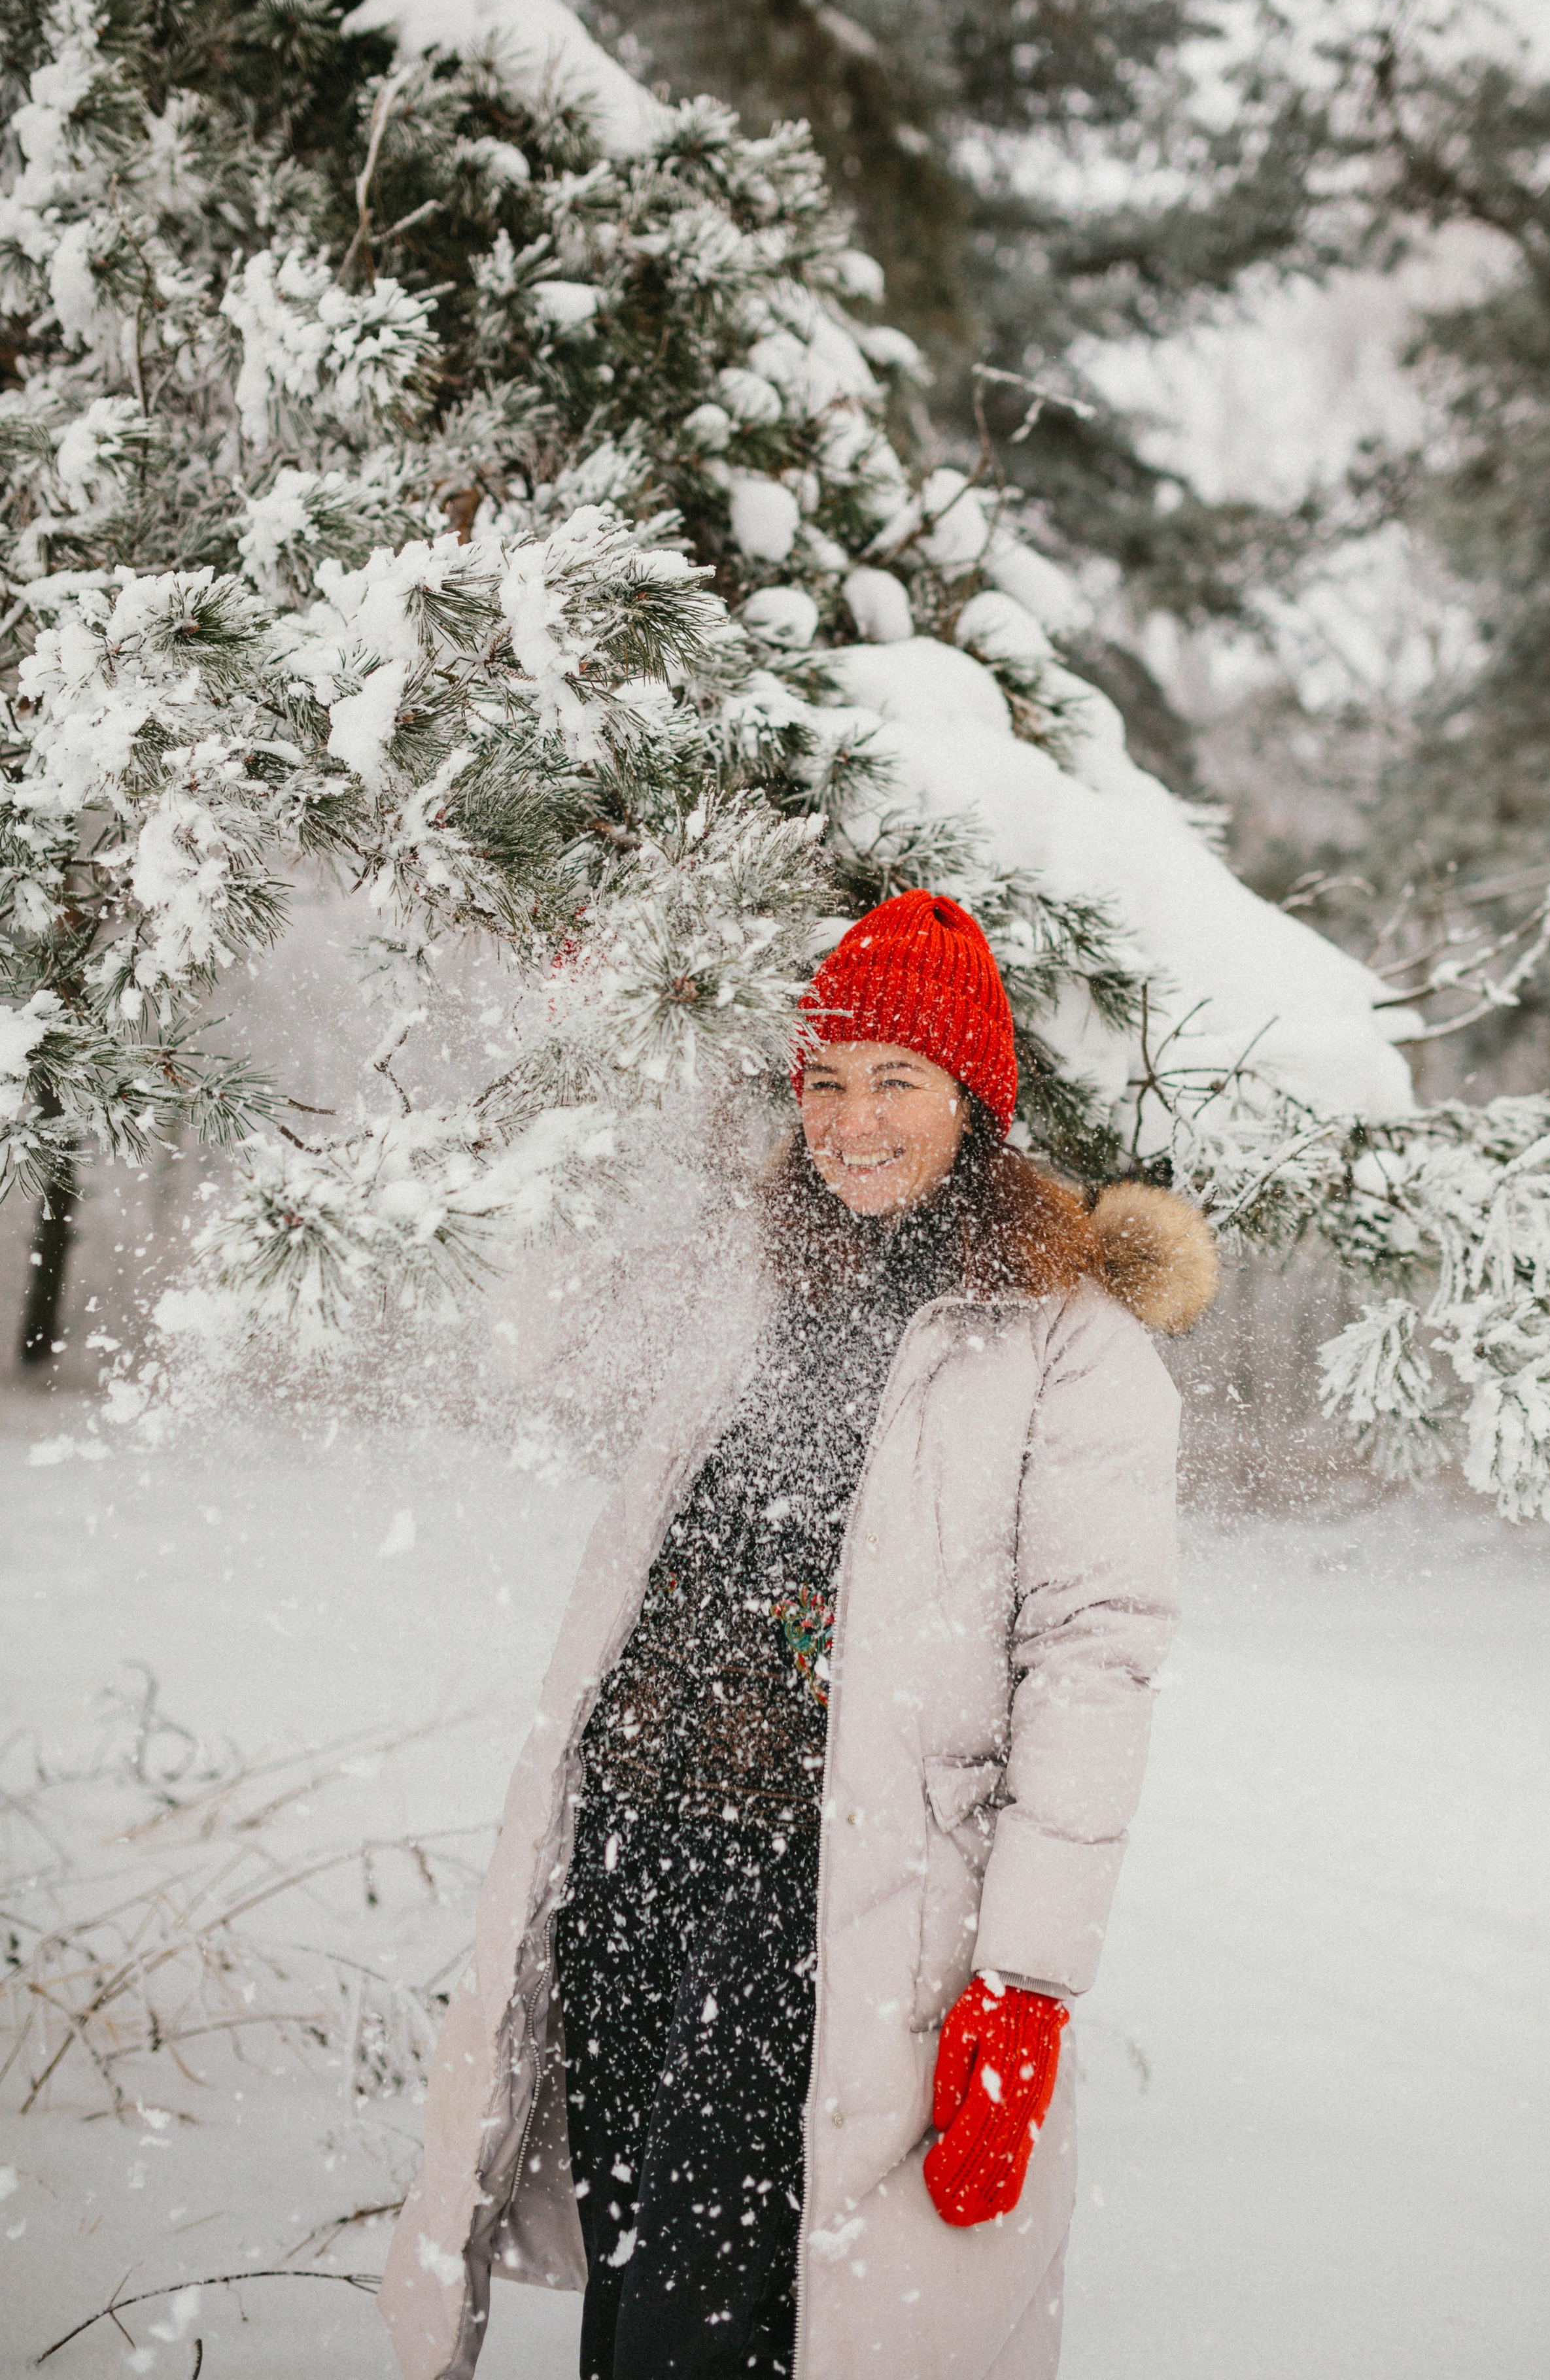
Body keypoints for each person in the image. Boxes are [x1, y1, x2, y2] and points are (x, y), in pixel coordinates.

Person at [379, 889, 1217, 2380]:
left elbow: (1093, 1661)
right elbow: (532, 1345)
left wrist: (1023, 1981)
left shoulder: (1067, 1336)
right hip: (634, 1854)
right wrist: (591, 1075)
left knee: (719, 2314)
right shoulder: (746, 1271)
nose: (852, 1120)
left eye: (896, 1078)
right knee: (640, 2287)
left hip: (827, 1899)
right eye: (823, 1078)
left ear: (975, 1100)